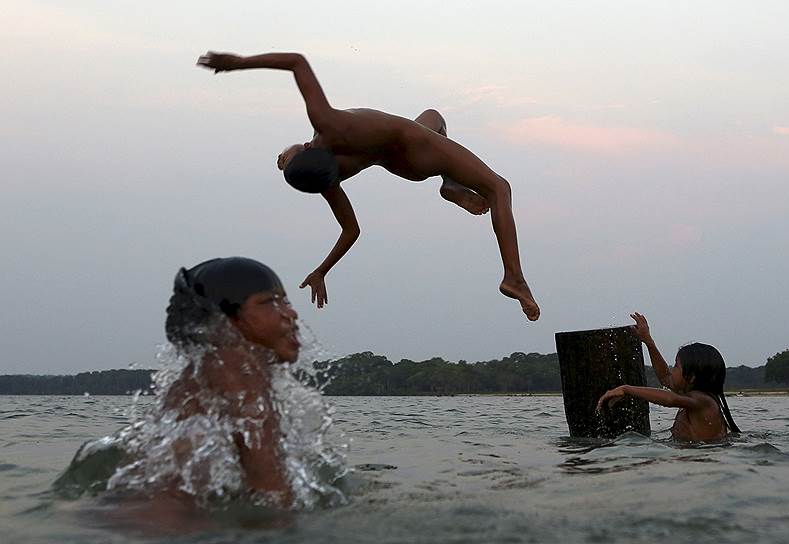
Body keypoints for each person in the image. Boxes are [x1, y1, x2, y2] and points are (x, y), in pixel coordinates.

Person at [195, 51, 540, 321]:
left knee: (433, 116)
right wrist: (238, 64)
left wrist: (321, 270)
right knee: (499, 188)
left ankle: (449, 184)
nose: (282, 155)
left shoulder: (330, 179)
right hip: (417, 146)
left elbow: (351, 230)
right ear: (305, 148)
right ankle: (514, 277)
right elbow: (296, 62)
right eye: (285, 156)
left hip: (404, 164)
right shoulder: (327, 126)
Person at [155, 256, 300, 507]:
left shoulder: (206, 373)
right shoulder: (238, 370)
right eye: (269, 302)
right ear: (227, 321)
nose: (290, 313)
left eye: (284, 301)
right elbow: (272, 495)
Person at [596, 312, 740, 442]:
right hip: (694, 454)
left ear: (691, 377)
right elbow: (665, 377)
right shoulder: (689, 396)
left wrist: (626, 389)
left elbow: (670, 399)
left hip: (701, 459)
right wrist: (648, 342)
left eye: (676, 366)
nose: (672, 370)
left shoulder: (704, 401)